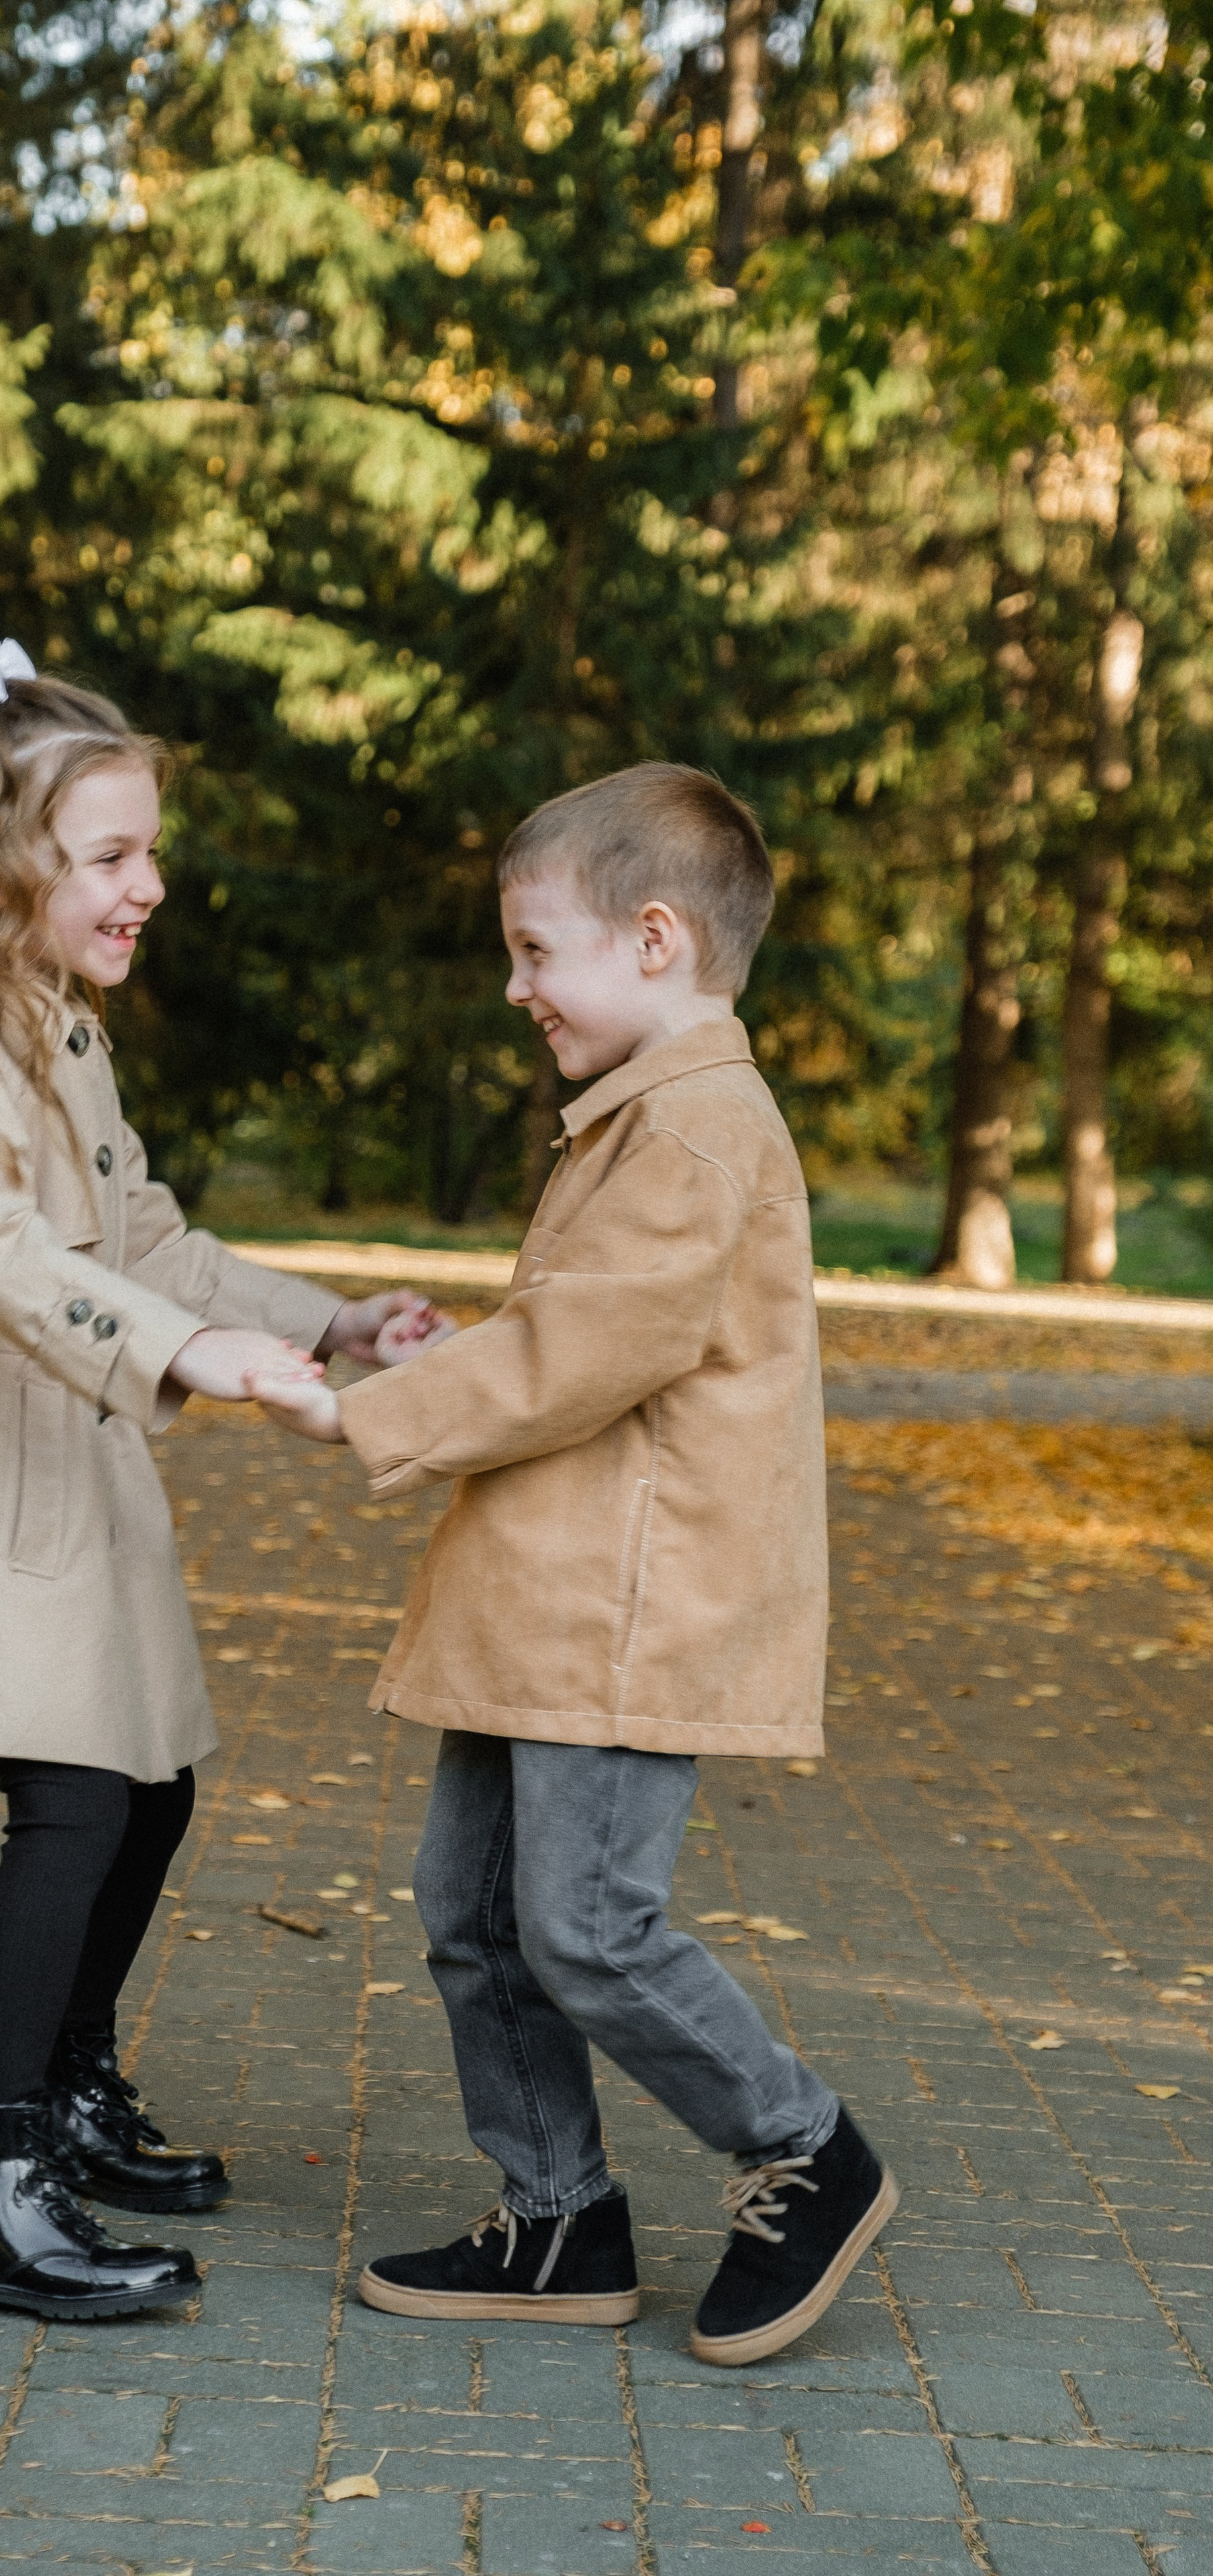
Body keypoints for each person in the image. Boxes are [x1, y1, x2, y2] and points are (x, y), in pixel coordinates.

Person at [0, 625, 444, 2324]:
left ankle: (61, 2096)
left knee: (147, 1788)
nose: (149, 883)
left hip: (62, 1444)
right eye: (112, 855)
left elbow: (139, 1229)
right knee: (72, 1803)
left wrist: (329, 1321)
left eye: (150, 848)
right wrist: (185, 1355)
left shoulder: (57, 1027)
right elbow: (0, 1252)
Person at [247, 763, 896, 2367]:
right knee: (470, 1913)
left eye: (538, 951)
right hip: (544, 1603)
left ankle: (800, 2147)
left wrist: (370, 1405)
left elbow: (588, 1348)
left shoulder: (691, 1127)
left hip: (624, 1612)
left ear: (654, 939)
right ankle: (554, 2216)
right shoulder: (641, 1118)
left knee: (589, 1924)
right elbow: (584, 1338)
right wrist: (463, 1348)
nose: (517, 986)